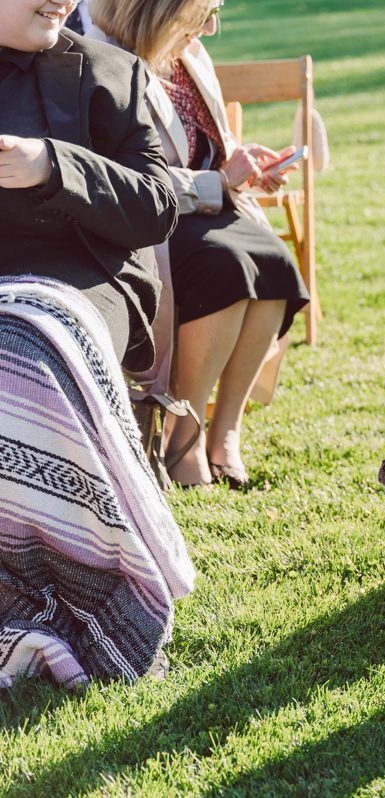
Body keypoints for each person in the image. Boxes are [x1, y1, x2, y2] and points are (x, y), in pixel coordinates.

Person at [0, 0, 195, 687]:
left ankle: (77, 584)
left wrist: (55, 165)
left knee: (21, 345)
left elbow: (157, 206)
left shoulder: (112, 72)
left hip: (81, 282)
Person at [89, 0, 309, 489]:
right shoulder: (98, 60)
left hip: (210, 205)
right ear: (157, 12)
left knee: (274, 263)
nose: (211, 27)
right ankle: (182, 433)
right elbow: (127, 180)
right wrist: (218, 181)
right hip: (153, 221)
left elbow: (206, 145)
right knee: (225, 267)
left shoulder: (188, 51)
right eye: (202, 13)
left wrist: (243, 165)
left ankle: (225, 431)